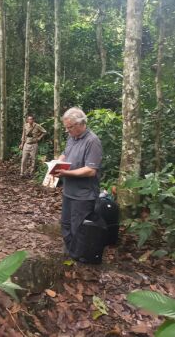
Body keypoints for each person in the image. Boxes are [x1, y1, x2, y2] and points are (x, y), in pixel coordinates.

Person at [55, 107, 102, 259]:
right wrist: (58, 161)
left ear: (80, 124)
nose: (68, 131)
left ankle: (79, 258)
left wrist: (66, 173)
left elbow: (90, 170)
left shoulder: (92, 141)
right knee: (66, 225)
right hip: (69, 191)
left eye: (70, 127)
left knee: (79, 228)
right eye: (66, 128)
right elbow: (65, 153)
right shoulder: (72, 137)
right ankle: (70, 252)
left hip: (83, 194)